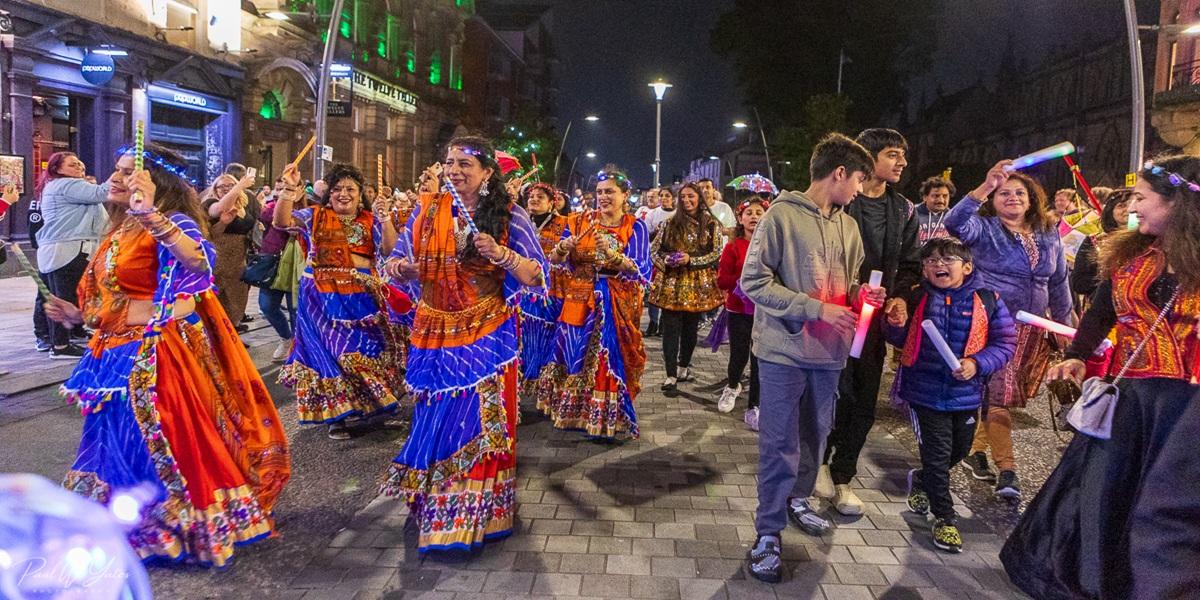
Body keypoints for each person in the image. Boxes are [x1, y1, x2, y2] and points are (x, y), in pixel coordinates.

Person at [46, 143, 290, 567]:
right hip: (110, 354)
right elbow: (110, 296)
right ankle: (119, 522)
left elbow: (199, 265)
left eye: (127, 172)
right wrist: (74, 315)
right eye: (117, 171)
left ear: (154, 183)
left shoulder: (171, 221)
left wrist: (150, 216)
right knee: (111, 440)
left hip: (155, 353)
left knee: (152, 441)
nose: (116, 179)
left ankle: (167, 524)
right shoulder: (119, 228)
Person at [1000, 154, 1200, 599]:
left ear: (1178, 205)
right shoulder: (1130, 253)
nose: (1134, 206)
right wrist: (1076, 355)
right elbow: (1103, 312)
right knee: (1101, 496)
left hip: (1187, 409)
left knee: (1163, 505)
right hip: (1131, 400)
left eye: (1143, 198)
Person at [381, 136, 546, 553]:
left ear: (488, 173)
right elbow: (391, 263)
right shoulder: (427, 211)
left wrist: (503, 255)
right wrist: (409, 268)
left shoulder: (511, 215)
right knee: (433, 416)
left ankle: (475, 514)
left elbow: (538, 278)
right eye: (450, 162)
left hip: (487, 336)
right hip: (433, 332)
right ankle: (434, 504)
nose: (454, 170)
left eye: (465, 164)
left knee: (476, 420)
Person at [740, 133, 883, 583]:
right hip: (784, 352)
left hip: (830, 355)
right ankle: (767, 532)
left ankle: (799, 499)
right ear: (839, 173)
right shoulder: (779, 216)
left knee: (815, 437)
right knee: (778, 444)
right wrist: (816, 308)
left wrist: (864, 295)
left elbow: (850, 283)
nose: (861, 189)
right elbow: (754, 283)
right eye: (860, 178)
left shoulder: (849, 225)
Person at [945, 161, 1072, 499]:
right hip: (993, 326)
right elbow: (954, 222)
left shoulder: (1048, 233)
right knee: (999, 397)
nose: (1012, 197)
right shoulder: (983, 229)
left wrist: (1064, 325)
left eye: (1019, 192)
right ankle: (1008, 471)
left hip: (1033, 330)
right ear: (993, 199)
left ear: (1032, 199)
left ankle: (976, 451)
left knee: (1002, 398)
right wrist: (985, 184)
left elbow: (1059, 282)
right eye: (1004, 193)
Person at [885, 238, 1016, 553]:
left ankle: (921, 480)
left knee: (958, 450)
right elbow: (896, 336)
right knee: (939, 453)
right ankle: (944, 518)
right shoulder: (916, 298)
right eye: (930, 260)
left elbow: (1006, 342)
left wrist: (977, 363)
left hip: (967, 394)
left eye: (947, 259)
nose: (938, 265)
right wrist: (893, 323)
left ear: (967, 266)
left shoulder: (988, 300)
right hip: (924, 392)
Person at [817, 128, 920, 516]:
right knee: (831, 390)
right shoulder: (842, 200)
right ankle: (818, 464)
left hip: (874, 319)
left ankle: (843, 476)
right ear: (869, 158)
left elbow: (910, 265)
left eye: (903, 156)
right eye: (893, 154)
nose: (902, 163)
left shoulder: (903, 209)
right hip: (835, 312)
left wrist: (900, 297)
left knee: (863, 398)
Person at [273, 162, 405, 440]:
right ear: (328, 194)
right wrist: (287, 189)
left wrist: (385, 219)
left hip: (362, 298)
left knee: (366, 352)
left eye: (350, 189)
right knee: (331, 353)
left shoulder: (370, 219)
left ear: (360, 194)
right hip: (320, 299)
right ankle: (337, 416)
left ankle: (369, 407)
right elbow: (281, 223)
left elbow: (391, 250)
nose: (343, 194)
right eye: (337, 189)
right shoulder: (315, 216)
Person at [538, 167, 651, 439]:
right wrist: (564, 249)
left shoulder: (635, 226)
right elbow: (554, 259)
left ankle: (606, 420)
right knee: (574, 353)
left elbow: (641, 268)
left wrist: (613, 255)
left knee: (606, 357)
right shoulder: (579, 221)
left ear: (625, 195)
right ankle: (576, 413)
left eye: (610, 191)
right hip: (578, 297)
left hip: (615, 300)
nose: (603, 197)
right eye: (600, 192)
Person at [649, 182, 724, 394]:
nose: (686, 201)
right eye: (683, 197)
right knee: (670, 329)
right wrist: (667, 261)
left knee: (691, 328)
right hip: (672, 283)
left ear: (699, 198)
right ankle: (670, 374)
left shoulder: (711, 224)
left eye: (691, 196)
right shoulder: (669, 223)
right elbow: (653, 252)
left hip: (697, 284)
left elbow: (716, 253)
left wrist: (691, 259)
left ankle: (683, 367)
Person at [35, 152, 110, 359]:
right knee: (64, 298)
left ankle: (59, 337)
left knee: (55, 295)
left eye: (80, 164)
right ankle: (60, 346)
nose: (79, 168)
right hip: (67, 250)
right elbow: (103, 193)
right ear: (57, 169)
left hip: (58, 249)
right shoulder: (67, 185)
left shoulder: (61, 186)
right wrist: (126, 173)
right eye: (72, 164)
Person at [716, 198, 768, 426]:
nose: (754, 216)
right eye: (749, 212)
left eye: (759, 212)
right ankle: (732, 386)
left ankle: (754, 405)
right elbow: (722, 279)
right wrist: (744, 282)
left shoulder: (772, 245)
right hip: (738, 309)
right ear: (740, 218)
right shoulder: (733, 246)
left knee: (760, 359)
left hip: (765, 312)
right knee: (739, 354)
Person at [520, 182, 568, 402]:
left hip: (553, 289)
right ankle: (525, 379)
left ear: (552, 203)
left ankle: (546, 384)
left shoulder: (564, 224)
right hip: (524, 289)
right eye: (531, 197)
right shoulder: (520, 222)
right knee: (526, 334)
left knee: (549, 335)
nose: (534, 200)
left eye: (541, 197)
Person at [200, 172, 258, 328]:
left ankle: (232, 335)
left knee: (236, 301)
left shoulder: (244, 204)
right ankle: (217, 338)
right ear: (215, 189)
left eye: (229, 185)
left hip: (239, 260)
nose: (226, 189)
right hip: (219, 257)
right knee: (217, 300)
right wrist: (239, 186)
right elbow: (213, 230)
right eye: (222, 186)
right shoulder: (211, 202)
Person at [258, 178, 303, 361]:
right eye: (280, 188)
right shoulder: (273, 205)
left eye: (290, 188)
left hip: (299, 263)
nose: (283, 191)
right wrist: (285, 200)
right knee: (267, 306)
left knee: (296, 309)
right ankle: (286, 338)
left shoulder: (311, 207)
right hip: (273, 260)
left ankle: (298, 347)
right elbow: (270, 217)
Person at [1070, 188, 1133, 300]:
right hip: (1102, 306)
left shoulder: (1150, 241)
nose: (1128, 209)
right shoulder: (1095, 241)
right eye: (1121, 206)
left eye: (1132, 204)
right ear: (1110, 210)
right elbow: (1079, 283)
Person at [642, 186, 676, 337]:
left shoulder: (677, 214)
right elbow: (646, 234)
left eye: (667, 196)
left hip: (672, 256)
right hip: (655, 255)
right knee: (653, 291)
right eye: (661, 196)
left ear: (673, 198)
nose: (664, 198)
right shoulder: (652, 213)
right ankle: (653, 322)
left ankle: (664, 324)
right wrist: (656, 231)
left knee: (668, 291)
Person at [916, 176, 955, 246]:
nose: (941, 200)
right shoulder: (912, 213)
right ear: (925, 197)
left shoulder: (953, 216)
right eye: (936, 196)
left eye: (945, 196)